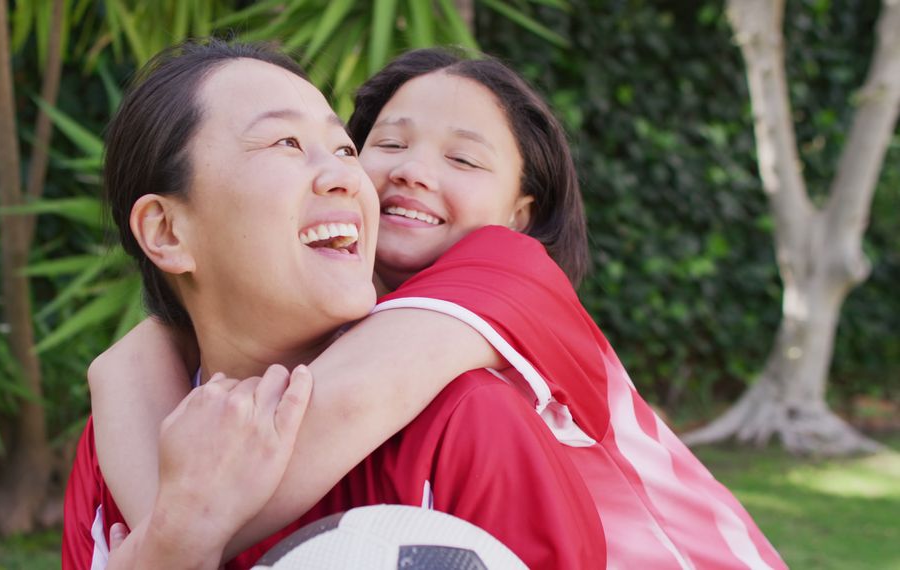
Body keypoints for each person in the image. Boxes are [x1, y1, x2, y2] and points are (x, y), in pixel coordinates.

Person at [88, 45, 787, 569]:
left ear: (520, 213)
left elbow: (331, 411)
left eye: (466, 161)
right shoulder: (145, 390)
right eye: (381, 144)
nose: (409, 171)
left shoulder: (507, 279)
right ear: (166, 231)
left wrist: (169, 533)